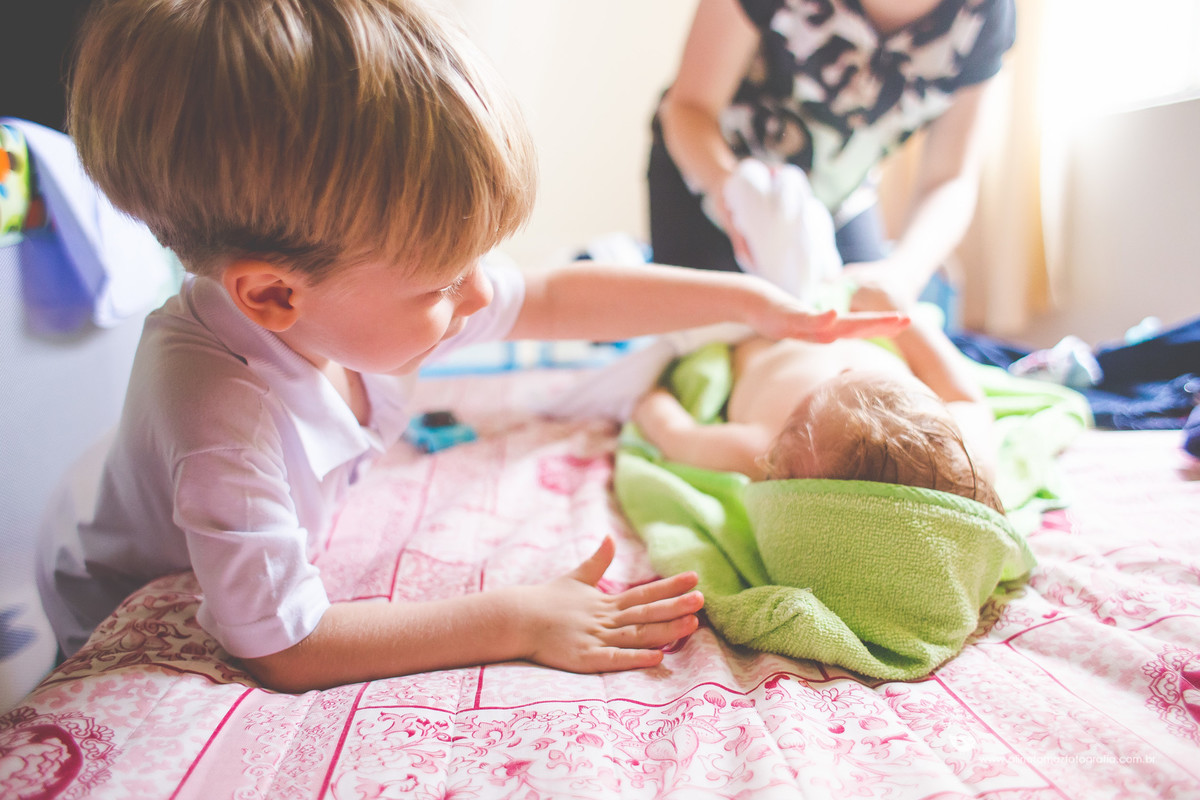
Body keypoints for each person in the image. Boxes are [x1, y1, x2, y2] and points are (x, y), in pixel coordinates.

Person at [38, 0, 909, 694]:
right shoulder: (222, 414)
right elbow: (285, 644)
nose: (483, 293)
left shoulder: (333, 301)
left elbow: (557, 296)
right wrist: (520, 618)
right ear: (270, 294)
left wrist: (756, 305)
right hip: (129, 591)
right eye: (442, 283)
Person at [648, 0, 1016, 312]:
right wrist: (729, 189)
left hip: (838, 196)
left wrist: (905, 272)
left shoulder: (986, 14)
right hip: (708, 174)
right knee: (721, 340)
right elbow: (688, 108)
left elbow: (950, 177)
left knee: (867, 338)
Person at [631, 304, 1003, 514]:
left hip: (758, 328)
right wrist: (900, 316)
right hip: (859, 316)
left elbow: (675, 434)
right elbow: (967, 397)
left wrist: (650, 395)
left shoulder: (759, 448)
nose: (846, 371)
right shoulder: (964, 456)